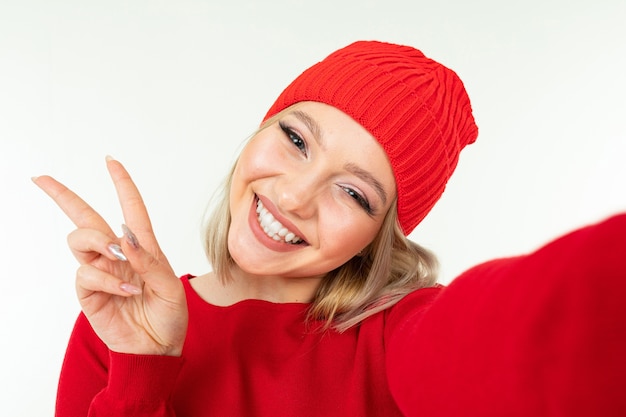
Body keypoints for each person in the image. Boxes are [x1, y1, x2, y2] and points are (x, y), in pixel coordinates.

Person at [34, 41, 626, 417]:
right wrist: (144, 366)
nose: (294, 195)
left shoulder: (397, 336)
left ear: (381, 235)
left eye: (353, 192)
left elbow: (538, 330)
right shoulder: (119, 323)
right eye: (295, 139)